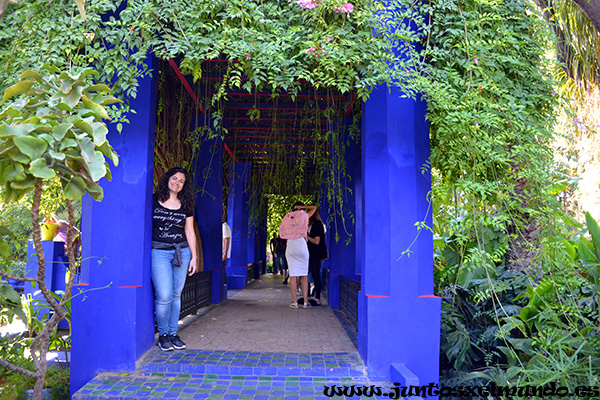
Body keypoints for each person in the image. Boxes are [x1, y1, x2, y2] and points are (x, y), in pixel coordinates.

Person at [152, 167, 198, 351]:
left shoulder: (186, 204)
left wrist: (194, 257)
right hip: (159, 252)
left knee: (176, 295)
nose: (177, 183)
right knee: (164, 296)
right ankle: (163, 335)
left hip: (182, 252)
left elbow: (189, 231)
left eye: (181, 181)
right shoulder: (154, 201)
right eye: (174, 178)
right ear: (168, 179)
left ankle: (173, 334)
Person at [279, 202, 316, 308]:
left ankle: (295, 302)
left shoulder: (287, 217)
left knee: (293, 276)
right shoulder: (304, 216)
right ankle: (305, 301)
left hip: (291, 246)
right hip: (301, 245)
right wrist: (303, 208)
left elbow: (282, 233)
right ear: (300, 209)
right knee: (304, 275)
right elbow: (314, 208)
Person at [307, 209, 327, 305]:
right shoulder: (315, 225)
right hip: (313, 254)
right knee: (310, 273)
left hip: (315, 254)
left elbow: (317, 241)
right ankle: (310, 296)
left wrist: (307, 237)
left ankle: (317, 298)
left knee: (315, 274)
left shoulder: (317, 225)